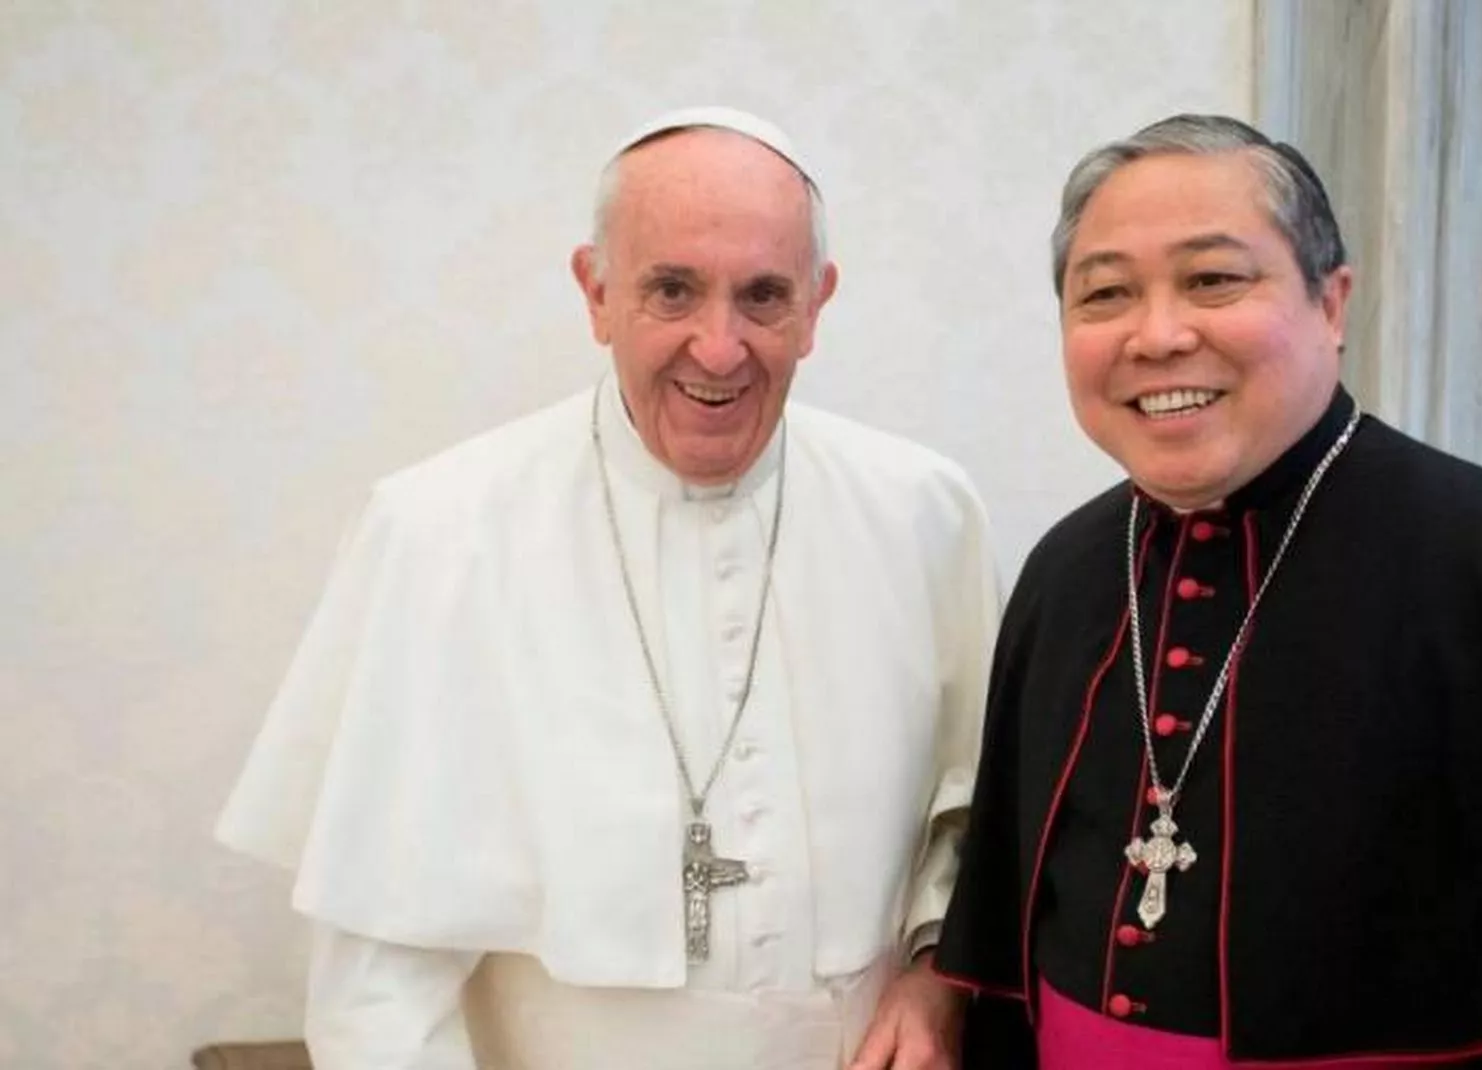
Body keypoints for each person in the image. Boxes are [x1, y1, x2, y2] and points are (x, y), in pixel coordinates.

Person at [933, 113, 1482, 1068]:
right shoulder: (1065, 569)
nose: (1159, 334)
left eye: (1213, 279)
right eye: (1106, 294)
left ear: (1331, 303)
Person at [216, 106, 992, 1070]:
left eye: (763, 296)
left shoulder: (924, 512)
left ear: (816, 305)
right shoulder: (439, 530)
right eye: (673, 290)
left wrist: (934, 978)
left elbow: (973, 823)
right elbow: (378, 985)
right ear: (596, 293)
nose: (719, 348)